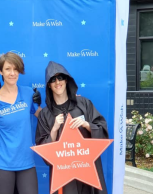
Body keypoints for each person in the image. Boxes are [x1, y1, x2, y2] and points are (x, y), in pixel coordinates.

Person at [35, 61, 108, 194]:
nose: (57, 82)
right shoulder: (45, 115)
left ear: (67, 80)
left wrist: (87, 125)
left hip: (87, 169)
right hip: (64, 175)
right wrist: (55, 128)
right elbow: (43, 149)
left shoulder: (84, 104)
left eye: (60, 77)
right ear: (49, 85)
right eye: (53, 79)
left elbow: (102, 129)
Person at [0, 52, 41, 194]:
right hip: (2, 162)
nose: (12, 73)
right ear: (0, 71)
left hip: (26, 162)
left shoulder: (28, 93)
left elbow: (43, 116)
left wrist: (69, 103)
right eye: (8, 69)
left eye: (16, 69)